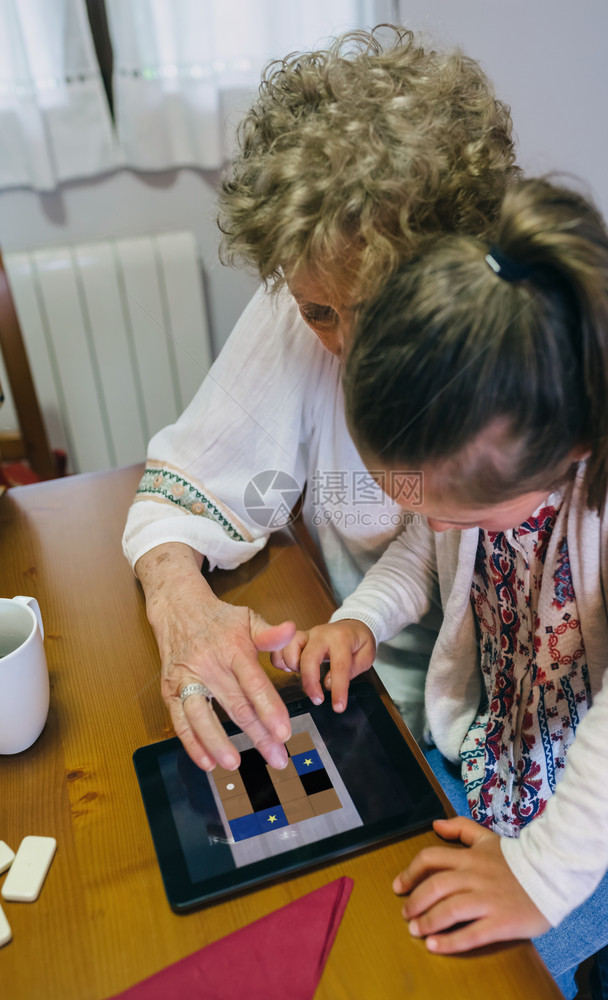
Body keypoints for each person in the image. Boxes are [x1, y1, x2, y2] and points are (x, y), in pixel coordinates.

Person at [275, 178, 608, 999]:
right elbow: (425, 542)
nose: (438, 528)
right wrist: (361, 620)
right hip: (509, 765)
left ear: (575, 449)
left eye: (461, 515)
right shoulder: (490, 431)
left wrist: (537, 876)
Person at [122, 25, 522, 772]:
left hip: (528, 726)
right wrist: (182, 604)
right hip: (379, 694)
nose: (344, 346)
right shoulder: (308, 296)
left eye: (373, 304)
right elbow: (191, 486)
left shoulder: (531, 358)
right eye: (317, 311)